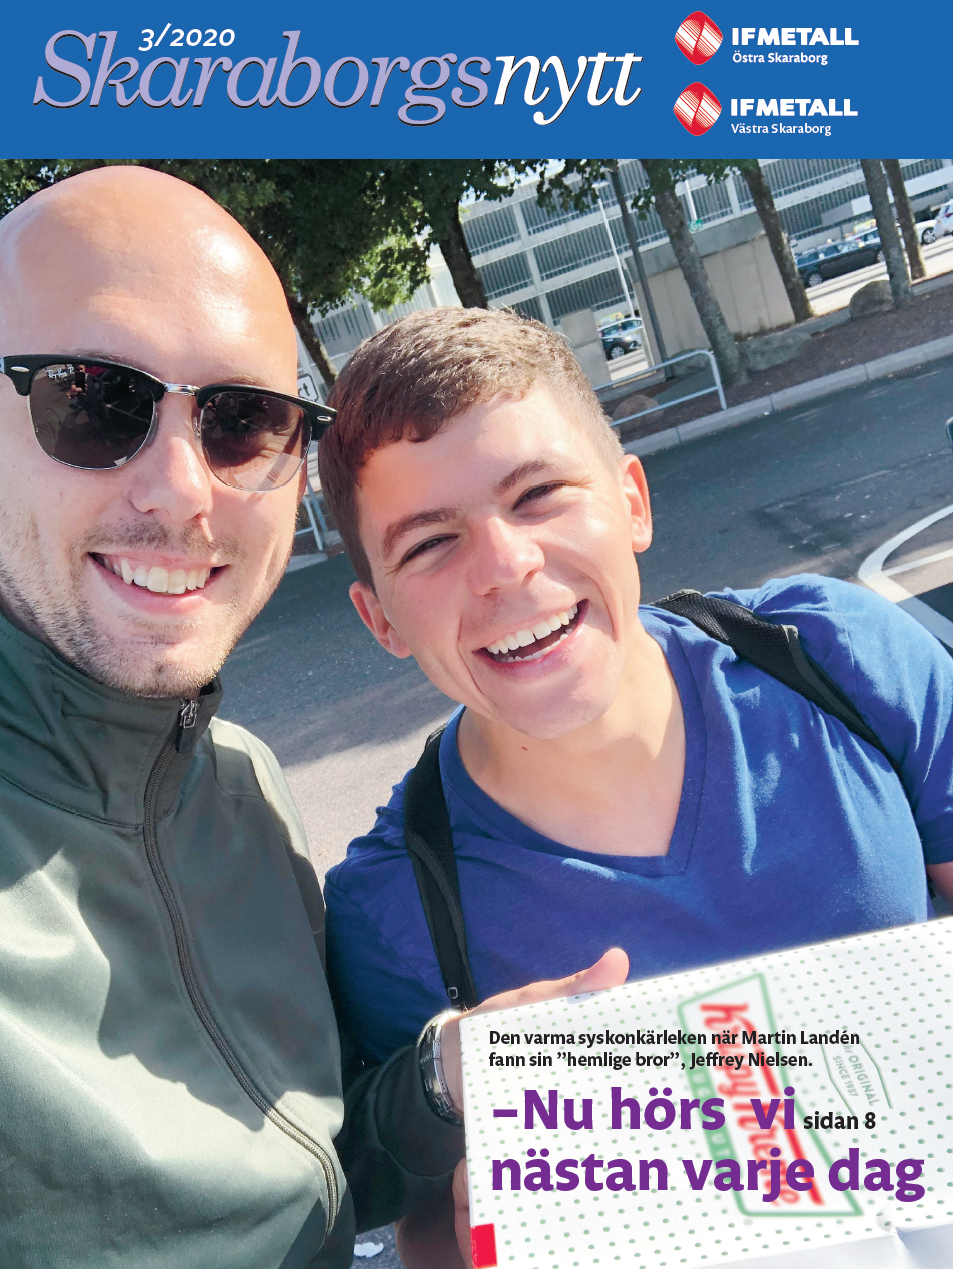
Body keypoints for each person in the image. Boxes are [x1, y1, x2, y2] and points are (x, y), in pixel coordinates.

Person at [0, 170, 626, 1268]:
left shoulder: (236, 786)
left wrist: (442, 1082)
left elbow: (305, 1174)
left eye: (243, 422)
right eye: (92, 402)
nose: (184, 490)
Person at [319, 304, 953, 1064]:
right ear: (380, 619)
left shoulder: (839, 655)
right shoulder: (393, 917)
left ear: (632, 505)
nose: (505, 566)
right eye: (428, 542)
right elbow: (406, 1138)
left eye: (537, 494)